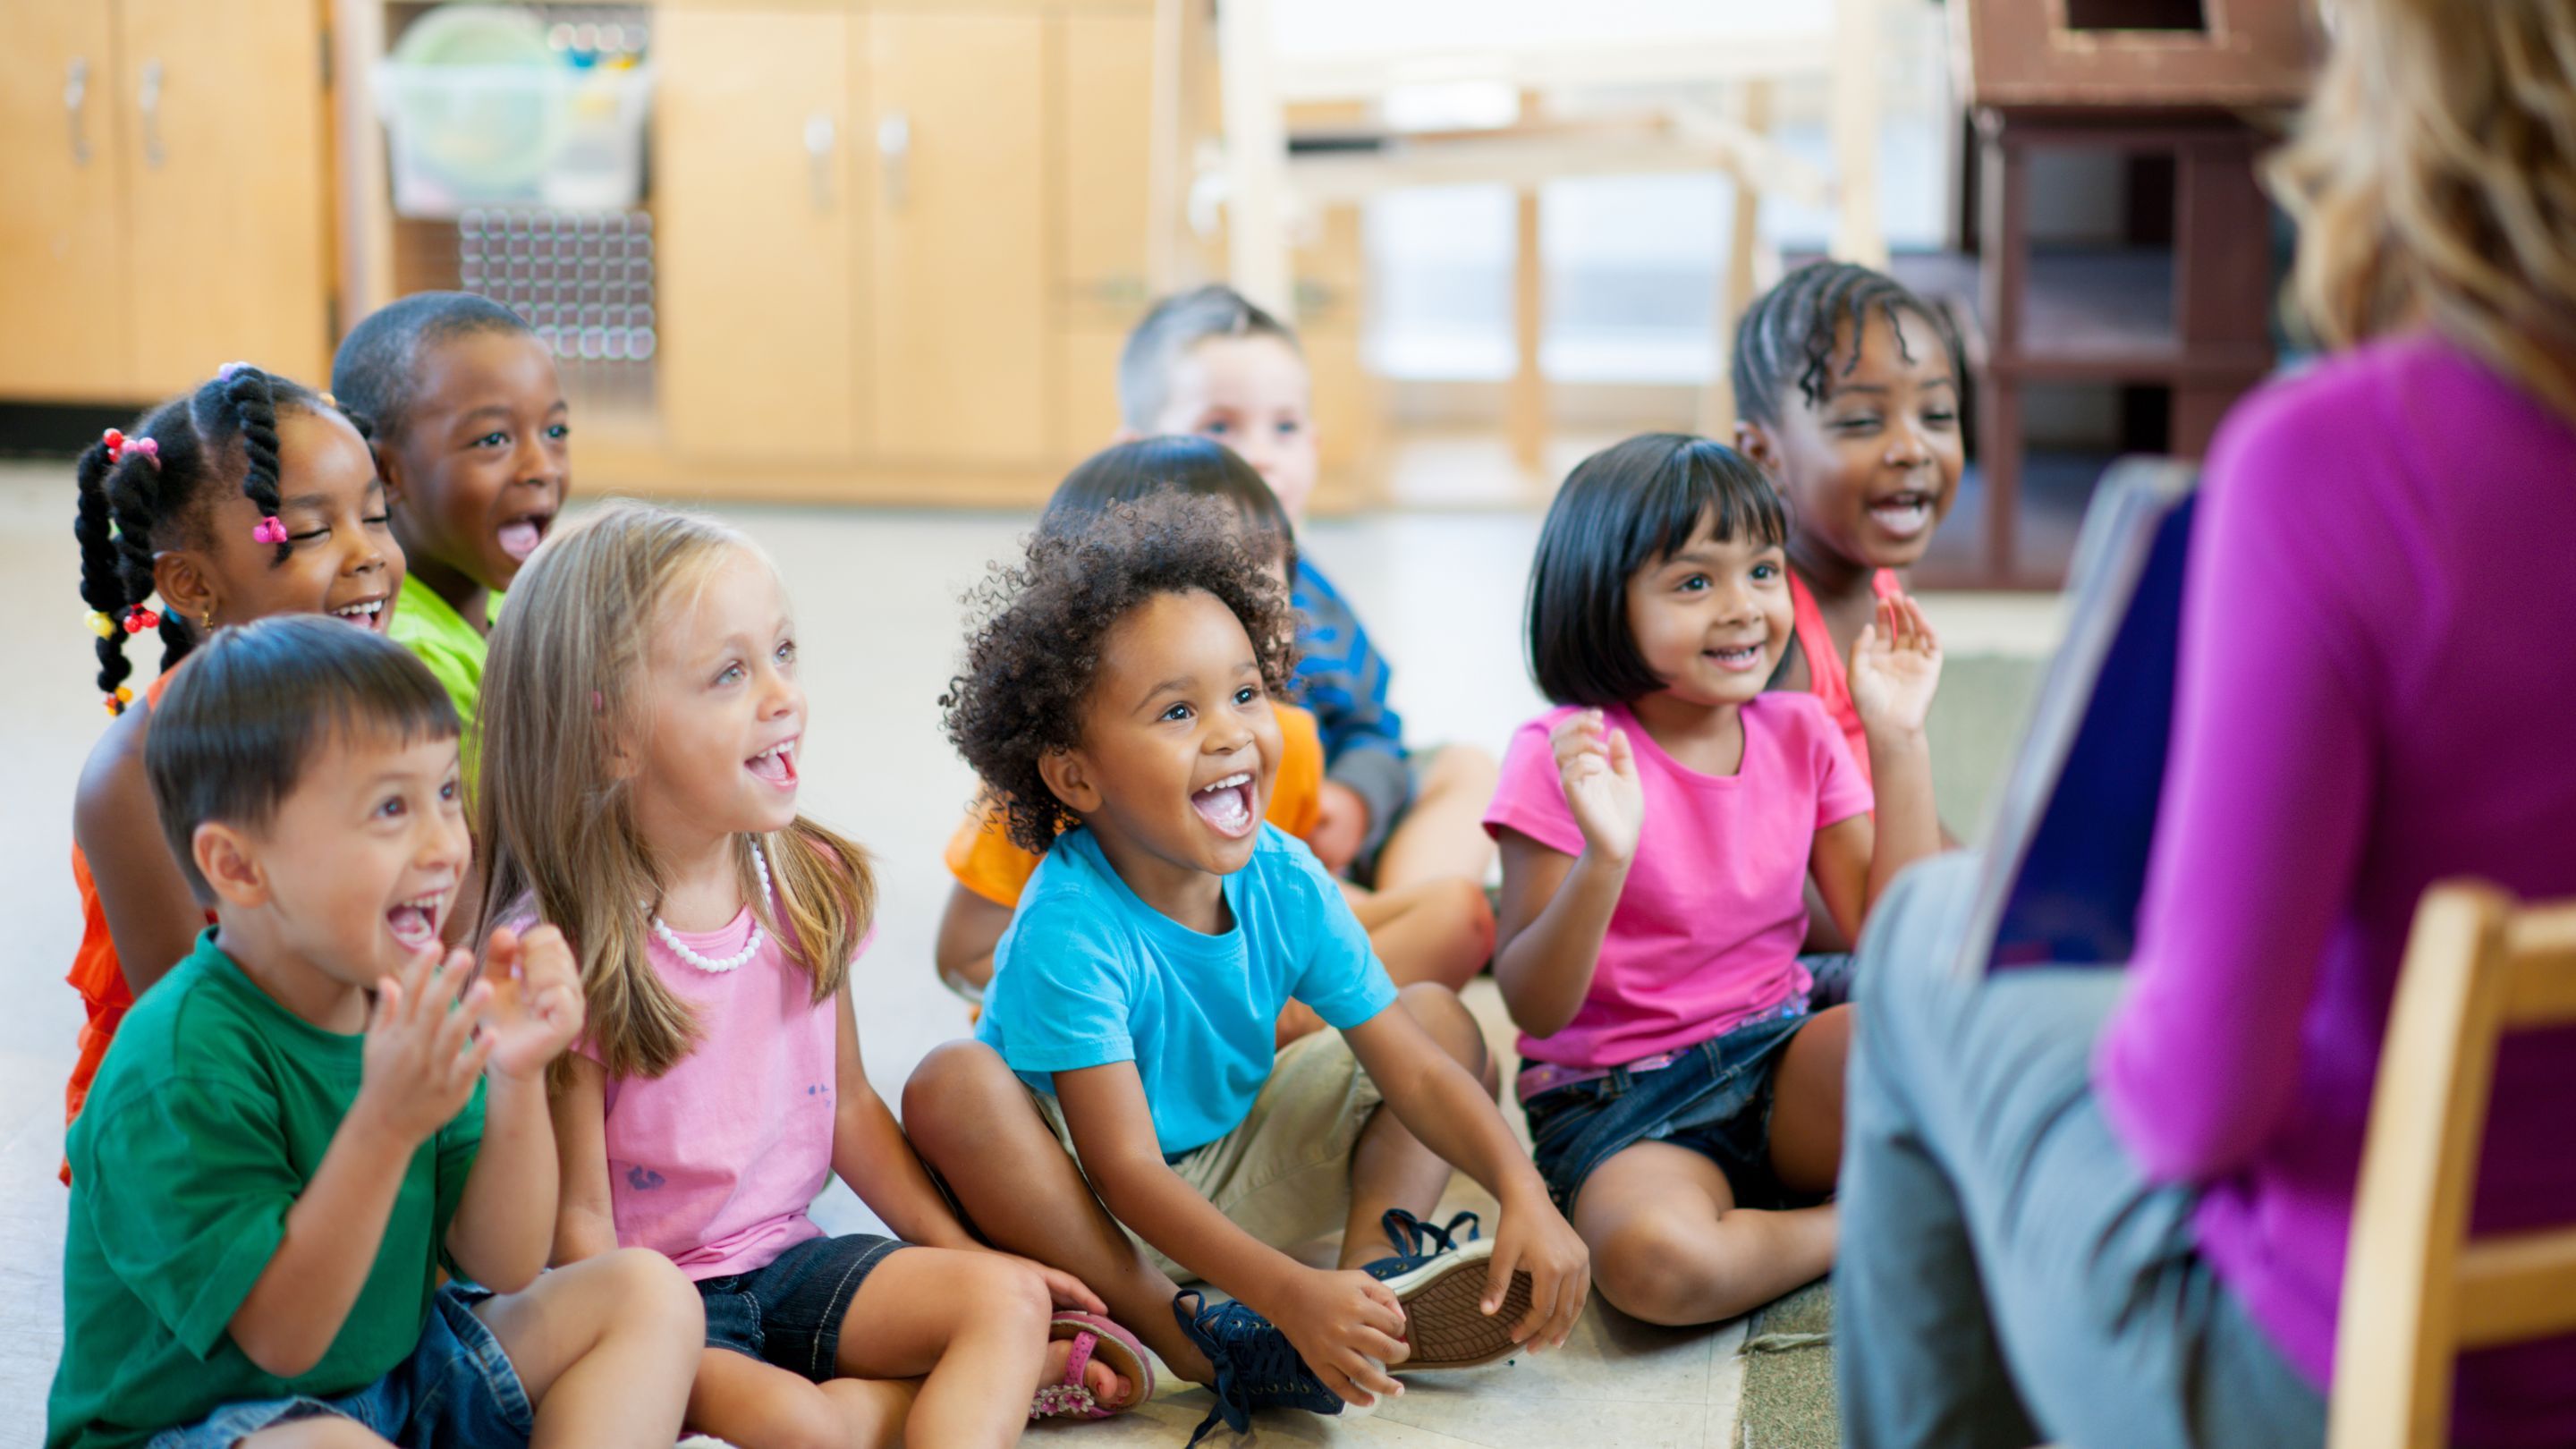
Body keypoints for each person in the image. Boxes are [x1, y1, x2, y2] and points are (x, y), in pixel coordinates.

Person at [1835, 3, 2576, 1445]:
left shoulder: (2344, 465)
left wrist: (2158, 978)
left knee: (1926, 939)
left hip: (2354, 1373)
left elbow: (2195, 1110)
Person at [904, 494, 1589, 1445]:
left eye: (1245, 694)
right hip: (1089, 1209)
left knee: (1441, 1024)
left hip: (1230, 1170)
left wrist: (1523, 1187)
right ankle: (1183, 1330)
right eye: (1178, 711)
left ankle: (1367, 1295)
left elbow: (1417, 1071)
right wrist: (1280, 1288)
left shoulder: (1285, 874)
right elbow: (1129, 1171)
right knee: (951, 1083)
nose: (1230, 733)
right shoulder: (1071, 924)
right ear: (1075, 777)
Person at [478, 504, 1148, 1447]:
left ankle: (928, 1393)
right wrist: (655, 1364)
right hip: (662, 1308)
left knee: (1003, 1300)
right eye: (730, 674)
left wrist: (965, 1260)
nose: (782, 695)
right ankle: (889, 1407)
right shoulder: (562, 949)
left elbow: (851, 1114)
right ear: (614, 733)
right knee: (804, 1426)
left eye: (784, 653)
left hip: (793, 1263)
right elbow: (579, 1227)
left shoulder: (804, 880)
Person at [46, 615, 703, 1449]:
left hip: (387, 1380)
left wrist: (514, 1077)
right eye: (391, 807)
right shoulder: (177, 1069)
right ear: (238, 867)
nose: (443, 846)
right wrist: (386, 1123)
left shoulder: (406, 1000)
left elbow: (501, 1261)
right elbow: (283, 1340)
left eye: (446, 795)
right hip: (200, 1425)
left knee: (647, 1293)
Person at [1487, 435, 1942, 1326]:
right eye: (1695, 582)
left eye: (1763, 572)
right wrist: (1604, 858)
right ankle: (1864, 1221)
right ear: (1602, 600)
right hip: (1627, 1105)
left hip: (1781, 1052)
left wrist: (1898, 740)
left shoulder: (1799, 729)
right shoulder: (1562, 754)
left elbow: (1898, 943)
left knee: (1955, 1022)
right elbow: (1534, 1004)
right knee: (1657, 1265)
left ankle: (1821, 1205)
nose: (1742, 608)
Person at [933, 436, 1494, 1030]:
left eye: (1260, 573)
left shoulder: (1285, 740)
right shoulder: (1051, 778)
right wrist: (1119, 993)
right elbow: (963, 956)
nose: (1230, 608)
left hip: (1241, 1007)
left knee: (1457, 917)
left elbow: (1289, 900)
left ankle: (1272, 1049)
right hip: (1101, 1045)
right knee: (957, 1085)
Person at [63, 363, 402, 1164]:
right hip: (207, 1116)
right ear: (190, 583)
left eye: (379, 517)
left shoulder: (389, 709)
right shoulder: (137, 776)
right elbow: (192, 1035)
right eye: (313, 533)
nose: (368, 556)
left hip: (356, 1054)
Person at [1118, 284, 1497, 890]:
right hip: (1212, 854)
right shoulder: (1131, 608)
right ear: (1138, 458)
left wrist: (1355, 799)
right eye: (1220, 426)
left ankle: (1416, 908)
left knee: (1466, 768)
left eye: (1285, 427)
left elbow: (1373, 725)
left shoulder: (1314, 595)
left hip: (1322, 839)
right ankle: (1395, 936)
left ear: (1315, 449)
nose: (1261, 456)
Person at [1730, 260, 1968, 788]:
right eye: (1863, 421)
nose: (1913, 449)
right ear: (1762, 454)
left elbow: (1898, 800)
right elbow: (1784, 857)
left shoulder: (1888, 583)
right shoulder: (1773, 636)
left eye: (1937, 416)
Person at [332, 292, 569, 779]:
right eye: (493, 440)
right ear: (386, 472)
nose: (541, 467)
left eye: (556, 431)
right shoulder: (408, 664)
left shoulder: (515, 604)